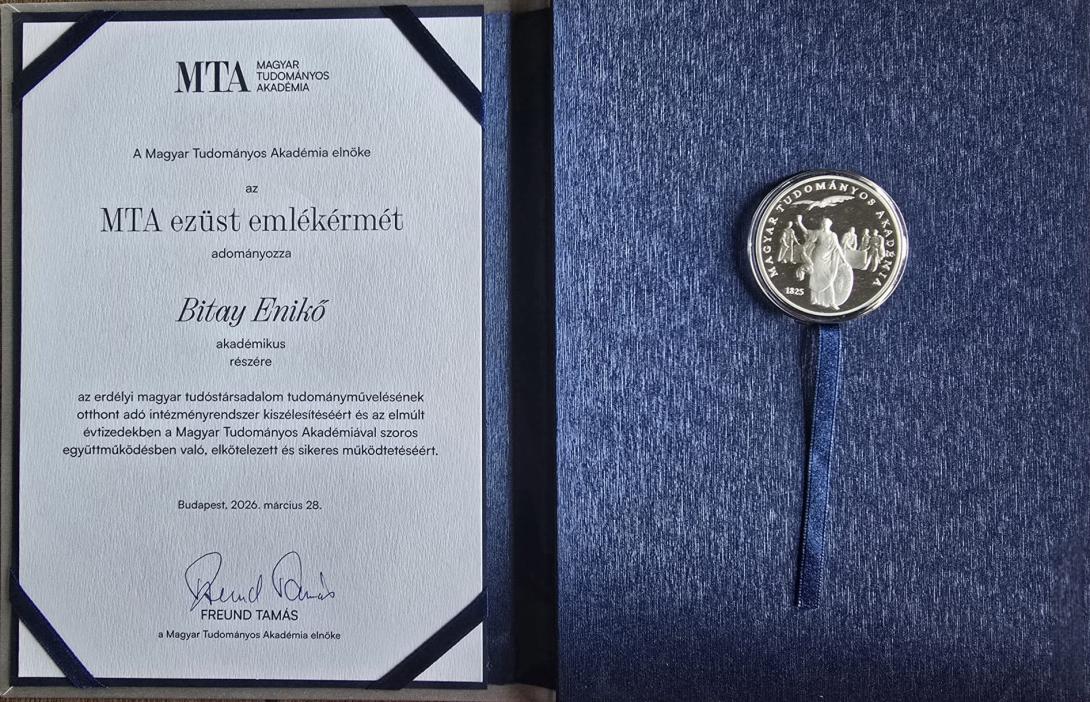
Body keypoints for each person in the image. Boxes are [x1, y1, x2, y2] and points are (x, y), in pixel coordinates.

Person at [795, 215, 854, 310]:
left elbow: (838, 248)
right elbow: (807, 232)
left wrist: (844, 260)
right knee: (815, 278)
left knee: (829, 280)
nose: (823, 224)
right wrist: (799, 222)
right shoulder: (818, 233)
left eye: (825, 223)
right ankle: (814, 300)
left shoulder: (833, 235)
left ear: (829, 225)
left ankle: (831, 302)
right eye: (823, 223)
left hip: (828, 260)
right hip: (817, 257)